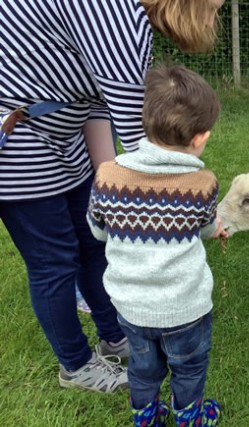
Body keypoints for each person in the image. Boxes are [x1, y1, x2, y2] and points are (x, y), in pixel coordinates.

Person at [0, 0, 224, 394]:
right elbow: (144, 143)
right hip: (18, 138)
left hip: (62, 137)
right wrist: (181, 199)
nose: (216, 13)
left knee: (89, 243)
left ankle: (114, 336)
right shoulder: (116, 16)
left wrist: (106, 181)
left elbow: (100, 107)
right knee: (52, 261)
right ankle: (76, 365)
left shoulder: (123, 19)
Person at [87, 64, 226, 427]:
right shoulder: (202, 183)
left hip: (131, 308)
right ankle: (189, 418)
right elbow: (209, 228)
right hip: (186, 308)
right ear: (200, 138)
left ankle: (146, 418)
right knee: (189, 368)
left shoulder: (108, 175)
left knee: (143, 369)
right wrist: (215, 228)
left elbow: (98, 231)